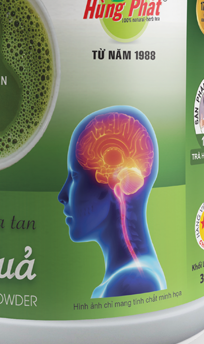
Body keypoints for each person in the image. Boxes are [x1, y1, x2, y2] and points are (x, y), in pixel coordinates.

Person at [58, 106, 166, 298]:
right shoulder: (123, 280)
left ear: (114, 184)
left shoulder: (135, 283)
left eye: (74, 176)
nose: (62, 195)